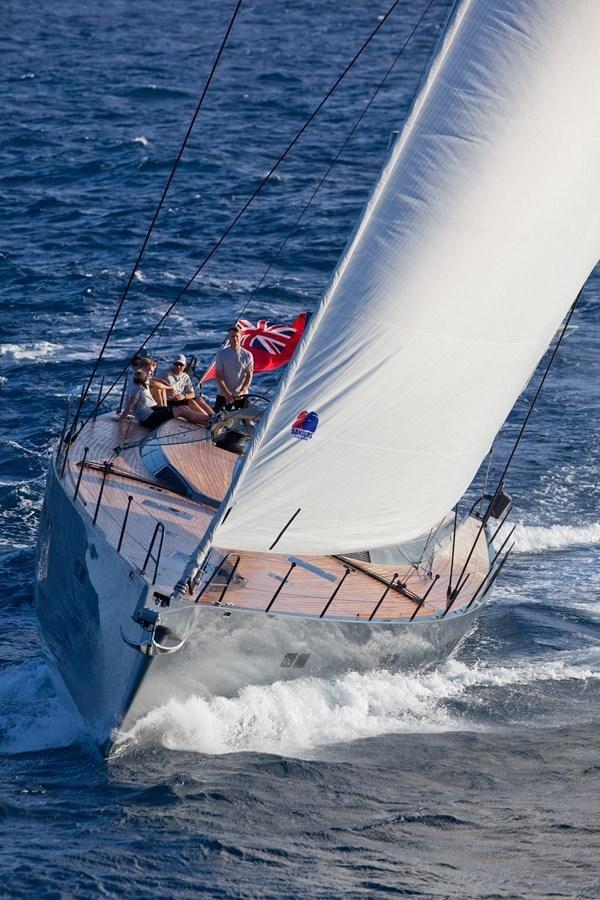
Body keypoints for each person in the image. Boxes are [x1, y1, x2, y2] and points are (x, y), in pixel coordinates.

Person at [119, 369, 211, 430]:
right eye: (149, 374)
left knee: (184, 408)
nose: (151, 374)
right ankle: (209, 419)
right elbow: (129, 406)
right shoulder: (137, 390)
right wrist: (121, 419)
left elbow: (154, 380)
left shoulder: (140, 383)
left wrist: (165, 384)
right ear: (144, 378)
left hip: (152, 412)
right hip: (149, 420)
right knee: (182, 410)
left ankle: (208, 423)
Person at [214, 326, 253, 413]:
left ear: (241, 337)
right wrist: (227, 393)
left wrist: (242, 391)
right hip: (223, 394)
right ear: (228, 337)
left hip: (242, 395)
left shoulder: (248, 355)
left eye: (237, 336)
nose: (235, 339)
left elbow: (249, 375)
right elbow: (218, 375)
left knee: (249, 421)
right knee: (217, 422)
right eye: (232, 336)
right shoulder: (221, 354)